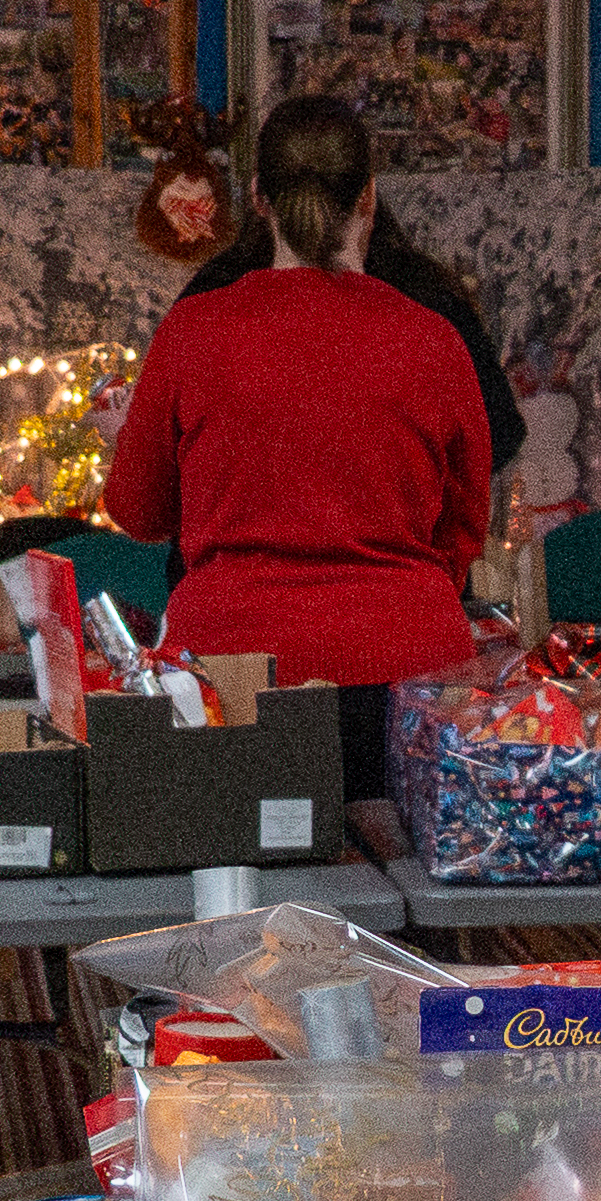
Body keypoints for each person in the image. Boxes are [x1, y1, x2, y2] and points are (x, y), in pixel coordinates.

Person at [96, 94, 494, 801]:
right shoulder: (434, 339)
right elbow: (463, 529)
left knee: (241, 893)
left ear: (256, 199)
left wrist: (123, 443)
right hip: (409, 672)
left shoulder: (195, 330)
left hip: (233, 672)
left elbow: (139, 511)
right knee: (409, 895)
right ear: (368, 197)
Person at [172, 195, 523, 479]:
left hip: (231, 559)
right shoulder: (428, 300)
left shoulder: (207, 303)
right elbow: (496, 437)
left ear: (259, 194)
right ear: (367, 195)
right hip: (400, 556)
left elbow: (145, 499)